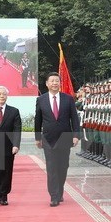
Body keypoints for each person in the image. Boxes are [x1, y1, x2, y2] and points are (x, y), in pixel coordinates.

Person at [35, 72, 81, 207]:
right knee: (51, 167)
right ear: (47, 84)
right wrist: (38, 137)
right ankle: (54, 196)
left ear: (59, 83)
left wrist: (76, 135)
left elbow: (75, 118)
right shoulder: (41, 99)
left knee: (63, 166)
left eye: (57, 81)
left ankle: (60, 191)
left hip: (65, 138)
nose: (55, 83)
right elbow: (38, 120)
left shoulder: (68, 99)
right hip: (48, 138)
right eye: (52, 81)